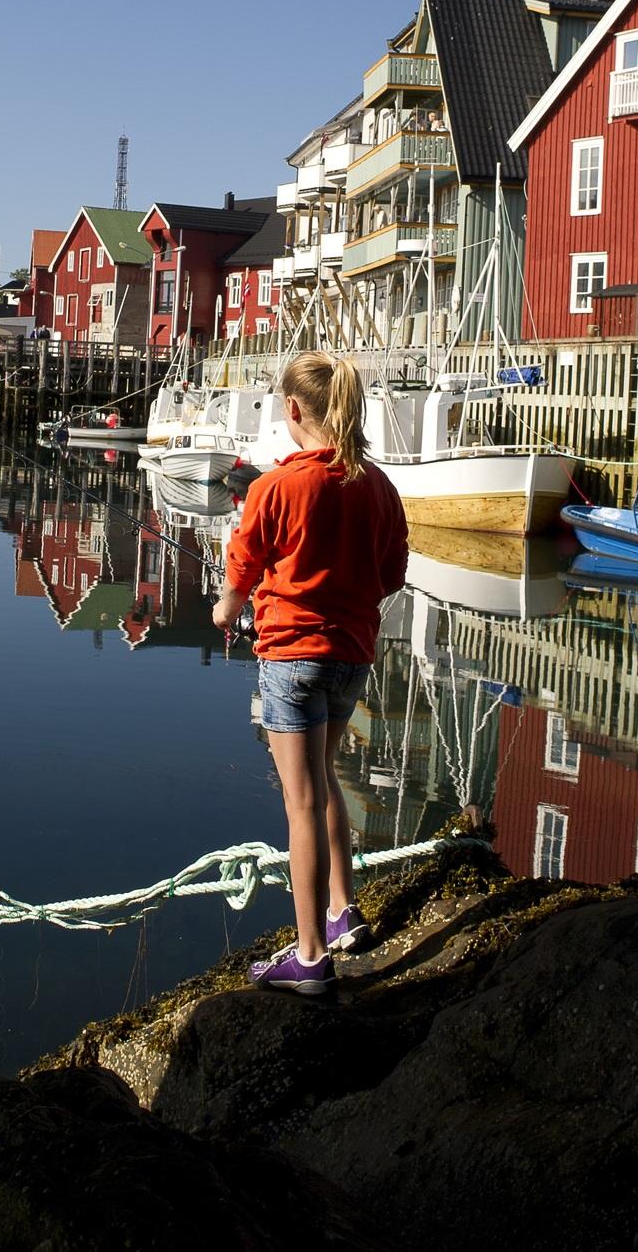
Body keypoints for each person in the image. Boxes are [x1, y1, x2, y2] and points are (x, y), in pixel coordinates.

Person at [214, 351, 408, 995]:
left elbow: (243, 562)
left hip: (292, 661)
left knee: (301, 803)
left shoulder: (275, 486)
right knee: (326, 780)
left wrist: (228, 606)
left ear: (293, 411)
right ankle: (342, 909)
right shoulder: (379, 486)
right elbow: (391, 576)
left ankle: (310, 957)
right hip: (352, 658)